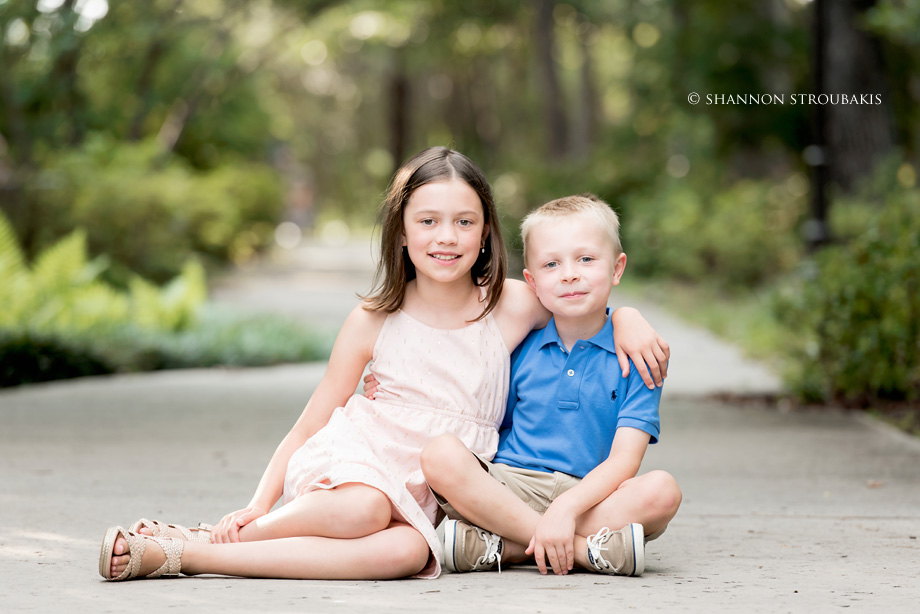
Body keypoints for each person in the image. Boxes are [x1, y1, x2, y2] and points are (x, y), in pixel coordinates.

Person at [98, 148, 669, 582]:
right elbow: (312, 419)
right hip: (363, 464)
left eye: (464, 222)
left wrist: (629, 318)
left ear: (486, 234)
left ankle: (200, 556)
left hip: (431, 496)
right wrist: (257, 502)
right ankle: (204, 544)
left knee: (405, 554)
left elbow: (582, 305)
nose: (446, 237)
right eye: (428, 221)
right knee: (364, 507)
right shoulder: (374, 320)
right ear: (400, 231)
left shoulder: (513, 303)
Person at [419, 194, 681, 578]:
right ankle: (582, 551)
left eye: (586, 259)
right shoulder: (518, 344)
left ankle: (504, 547)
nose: (569, 274)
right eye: (552, 264)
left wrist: (566, 508)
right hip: (512, 485)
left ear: (617, 267)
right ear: (532, 281)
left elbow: (626, 461)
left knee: (662, 491)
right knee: (440, 455)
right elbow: (465, 400)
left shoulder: (638, 355)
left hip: (592, 495)